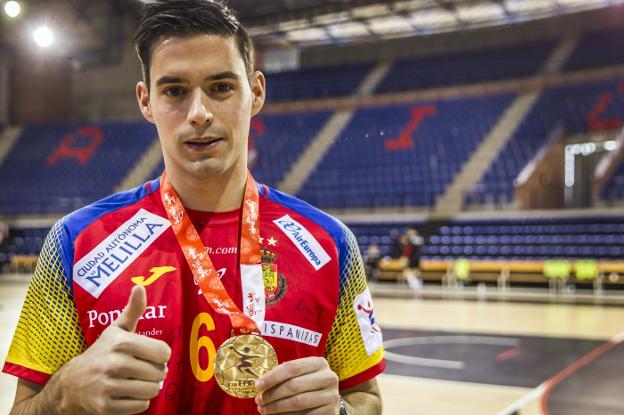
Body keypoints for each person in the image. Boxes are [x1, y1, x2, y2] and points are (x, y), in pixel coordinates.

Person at [2, 1, 384, 414]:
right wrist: (65, 395)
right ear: (146, 101)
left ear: (255, 91)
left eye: (221, 88)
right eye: (175, 91)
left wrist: (341, 412)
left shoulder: (329, 244)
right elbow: (25, 409)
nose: (199, 113)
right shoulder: (77, 242)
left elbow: (367, 398)